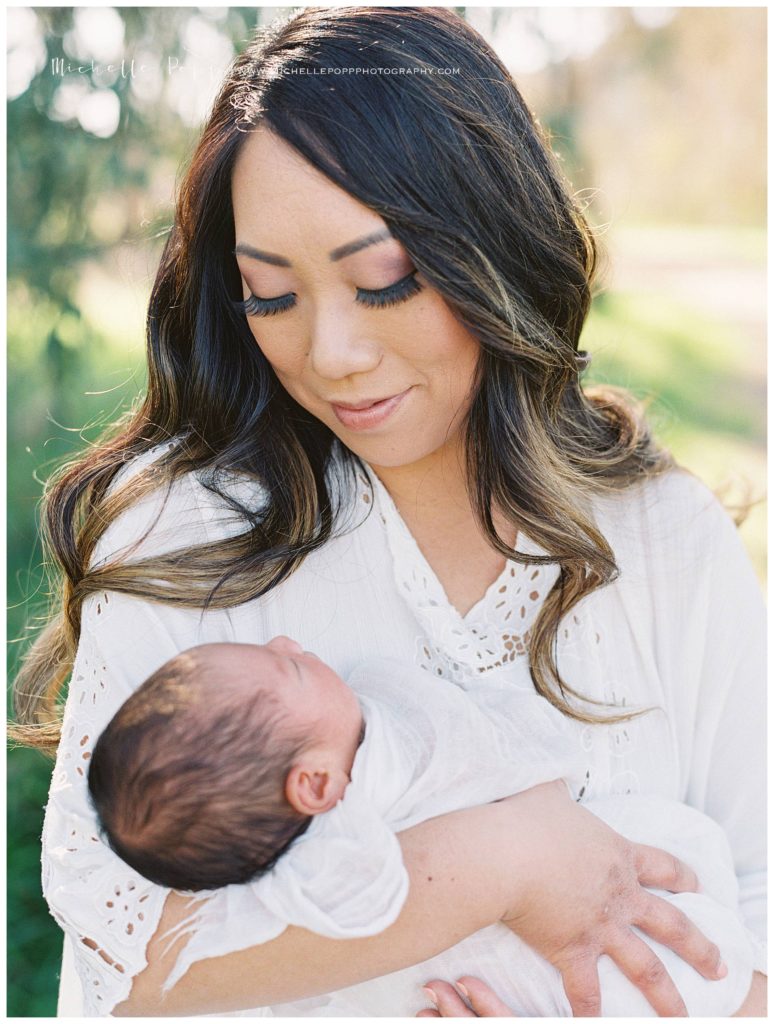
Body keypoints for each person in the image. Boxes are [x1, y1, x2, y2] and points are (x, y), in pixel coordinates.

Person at [10, 6, 765, 1018]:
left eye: (386, 280)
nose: (331, 355)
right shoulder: (183, 537)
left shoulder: (660, 537)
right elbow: (123, 955)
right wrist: (506, 861)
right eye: (269, 295)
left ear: (494, 247)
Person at [85, 638, 755, 1017]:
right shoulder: (353, 832)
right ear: (315, 785)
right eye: (290, 666)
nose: (291, 643)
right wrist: (513, 854)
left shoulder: (295, 834)